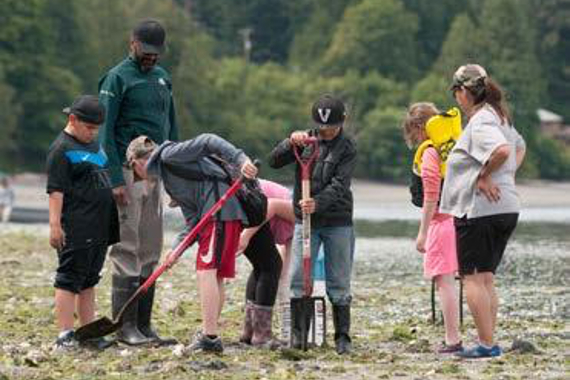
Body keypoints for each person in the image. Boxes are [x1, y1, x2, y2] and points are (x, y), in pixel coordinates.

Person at [126, 134, 258, 353]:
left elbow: (208, 140)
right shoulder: (169, 179)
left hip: (220, 212)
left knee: (206, 272)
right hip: (219, 217)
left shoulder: (169, 155)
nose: (137, 175)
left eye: (133, 169)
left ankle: (210, 337)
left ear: (139, 160)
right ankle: (210, 331)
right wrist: (176, 249)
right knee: (215, 275)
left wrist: (241, 159)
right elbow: (192, 221)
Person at [98, 19, 178, 346]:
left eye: (155, 54)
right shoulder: (117, 78)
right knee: (127, 246)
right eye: (145, 52)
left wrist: (175, 174)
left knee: (150, 247)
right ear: (132, 43)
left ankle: (144, 324)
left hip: (156, 172)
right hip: (127, 173)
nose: (150, 58)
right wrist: (115, 178)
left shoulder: (163, 79)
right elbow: (105, 133)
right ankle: (125, 326)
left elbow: (171, 129)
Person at [440, 64, 526, 359]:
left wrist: (484, 176)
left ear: (463, 92)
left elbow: (502, 151)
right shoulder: (501, 117)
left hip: (480, 211)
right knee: (486, 277)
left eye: (456, 93)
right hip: (505, 207)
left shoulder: (480, 122)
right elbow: (519, 147)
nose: (456, 99)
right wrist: (507, 177)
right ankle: (489, 340)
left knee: (473, 277)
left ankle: (487, 345)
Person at [269, 94, 357, 354]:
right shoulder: (305, 141)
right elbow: (274, 161)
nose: (326, 132)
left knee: (339, 279)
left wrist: (317, 202)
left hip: (337, 221)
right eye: (322, 127)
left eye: (331, 128)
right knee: (297, 276)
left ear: (342, 122)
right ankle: (299, 335)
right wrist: (289, 142)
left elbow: (340, 184)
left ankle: (343, 337)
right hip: (305, 222)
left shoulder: (347, 147)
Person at [46, 95, 119, 351]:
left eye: (96, 128)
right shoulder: (61, 149)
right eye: (89, 127)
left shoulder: (94, 145)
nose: (92, 133)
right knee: (69, 279)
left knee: (89, 279)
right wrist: (55, 225)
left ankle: (88, 334)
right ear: (73, 119)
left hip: (100, 225)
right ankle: (65, 335)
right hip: (77, 224)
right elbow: (55, 191)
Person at [402, 103, 462, 353]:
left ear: (419, 128)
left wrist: (422, 233)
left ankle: (452, 339)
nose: (414, 139)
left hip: (441, 223)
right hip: (459, 219)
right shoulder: (451, 147)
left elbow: (430, 195)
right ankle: (462, 336)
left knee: (444, 283)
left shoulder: (430, 152)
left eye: (413, 134)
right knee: (463, 281)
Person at [237, 180, 295, 348]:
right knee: (270, 266)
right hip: (249, 201)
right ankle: (261, 335)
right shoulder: (301, 213)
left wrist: (284, 291)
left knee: (265, 266)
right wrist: (246, 235)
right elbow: (271, 205)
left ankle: (249, 331)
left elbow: (286, 272)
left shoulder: (299, 236)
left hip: (249, 209)